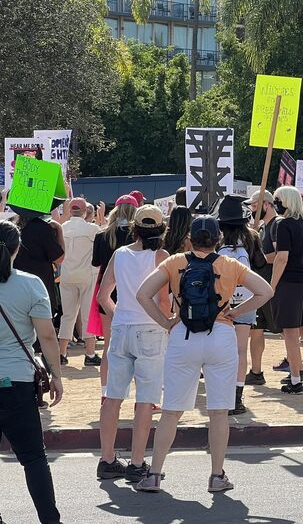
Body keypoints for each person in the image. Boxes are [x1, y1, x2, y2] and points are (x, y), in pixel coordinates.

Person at [133, 215, 274, 493]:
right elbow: (265, 291)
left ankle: (155, 473)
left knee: (171, 412)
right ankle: (216, 476)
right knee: (219, 413)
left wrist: (166, 322)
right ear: (217, 240)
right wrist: (236, 311)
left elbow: (142, 294)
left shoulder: (174, 262)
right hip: (220, 334)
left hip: (182, 335)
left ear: (190, 238)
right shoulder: (229, 265)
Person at [96, 205, 169, 484]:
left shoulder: (120, 254)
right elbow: (163, 301)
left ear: (134, 228)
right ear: (161, 229)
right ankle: (137, 463)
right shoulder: (161, 257)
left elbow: (103, 296)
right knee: (145, 400)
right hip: (150, 329)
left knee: (113, 396)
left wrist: (120, 316)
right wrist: (167, 323)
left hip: (122, 329)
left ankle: (107, 458)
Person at [0, 220, 64, 524]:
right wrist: (56, 376)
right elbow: (48, 337)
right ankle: (50, 520)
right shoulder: (30, 284)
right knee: (33, 458)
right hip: (16, 382)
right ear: (16, 250)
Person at [215, 195, 268, 415]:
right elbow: (261, 263)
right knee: (240, 350)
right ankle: (237, 397)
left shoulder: (217, 239)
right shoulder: (252, 237)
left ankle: (222, 394)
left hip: (220, 300)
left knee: (220, 350)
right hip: (247, 299)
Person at [271, 187, 303, 395]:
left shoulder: (283, 225)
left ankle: (295, 378)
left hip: (290, 281)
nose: (276, 203)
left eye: (277, 200)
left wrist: (271, 285)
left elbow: (282, 257)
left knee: (290, 332)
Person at [92, 196, 137, 392]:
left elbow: (95, 263)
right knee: (138, 349)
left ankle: (105, 392)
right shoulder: (137, 236)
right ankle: (143, 398)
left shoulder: (102, 235)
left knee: (109, 346)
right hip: (133, 292)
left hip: (107, 293)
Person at [58, 198, 101, 367]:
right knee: (87, 314)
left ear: (70, 210)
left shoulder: (62, 228)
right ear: (85, 212)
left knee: (67, 315)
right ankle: (90, 354)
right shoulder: (93, 229)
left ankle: (62, 353)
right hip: (87, 275)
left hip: (67, 275)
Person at [244, 189, 278, 386]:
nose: (252, 209)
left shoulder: (276, 226)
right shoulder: (263, 228)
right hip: (260, 286)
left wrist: (260, 259)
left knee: (285, 329)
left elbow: (280, 253)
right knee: (256, 328)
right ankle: (256, 371)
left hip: (273, 285)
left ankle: (298, 370)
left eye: (255, 205)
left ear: (266, 204)